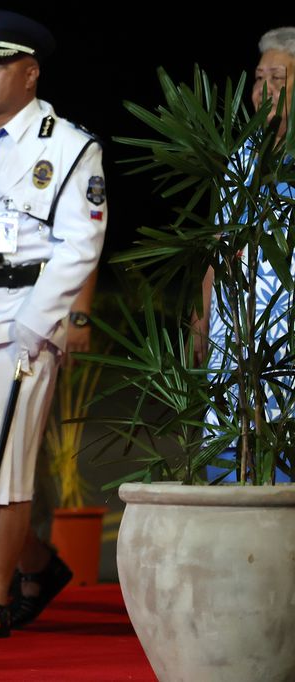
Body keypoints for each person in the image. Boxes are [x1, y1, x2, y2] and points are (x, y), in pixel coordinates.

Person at [0, 10, 107, 639]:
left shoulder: (69, 146)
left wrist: (38, 325)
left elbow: (79, 245)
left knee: (6, 465)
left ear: (29, 74)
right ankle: (36, 564)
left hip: (19, 320)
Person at [192, 26, 294, 483]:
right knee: (227, 451)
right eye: (258, 78)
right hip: (233, 334)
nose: (263, 90)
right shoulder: (241, 155)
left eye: (278, 77)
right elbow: (221, 243)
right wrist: (202, 310)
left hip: (285, 336)